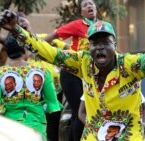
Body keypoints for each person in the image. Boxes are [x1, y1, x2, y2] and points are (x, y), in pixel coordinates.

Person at [0, 10, 145, 140]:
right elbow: (49, 52)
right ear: (89, 47)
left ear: (115, 46)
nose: (100, 47)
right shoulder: (83, 62)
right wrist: (17, 31)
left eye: (105, 42)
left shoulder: (129, 65)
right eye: (95, 43)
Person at [0, 13, 64, 141]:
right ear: (25, 50)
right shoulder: (42, 71)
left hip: (11, 130)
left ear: (7, 52)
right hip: (37, 128)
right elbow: (52, 104)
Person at [43, 0, 100, 140]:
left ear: (96, 8)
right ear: (82, 12)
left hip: (88, 75)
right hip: (71, 74)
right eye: (85, 5)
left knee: (78, 114)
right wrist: (39, 47)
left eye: (91, 3)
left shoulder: (102, 27)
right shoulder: (78, 25)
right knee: (81, 111)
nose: (89, 6)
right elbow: (55, 35)